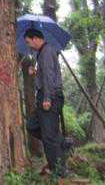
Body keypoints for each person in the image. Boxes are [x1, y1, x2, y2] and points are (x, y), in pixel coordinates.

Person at [24, 28, 68, 178]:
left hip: (50, 97)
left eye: (29, 42)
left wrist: (47, 98)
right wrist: (35, 73)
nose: (29, 45)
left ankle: (59, 170)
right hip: (45, 95)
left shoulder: (47, 51)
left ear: (36, 38)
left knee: (49, 137)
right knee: (32, 126)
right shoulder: (41, 53)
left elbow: (49, 77)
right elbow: (45, 75)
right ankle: (60, 142)